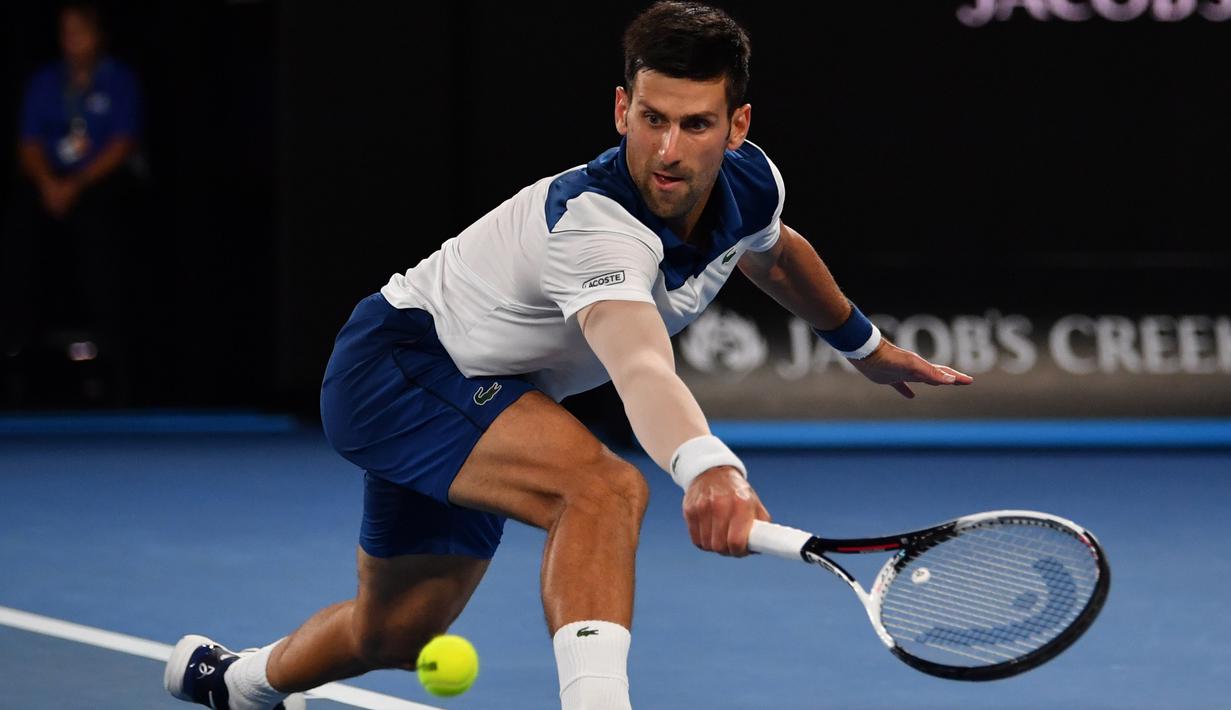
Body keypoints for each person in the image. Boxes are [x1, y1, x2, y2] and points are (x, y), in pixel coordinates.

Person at [165, 2, 972, 708]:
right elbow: (639, 365)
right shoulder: (593, 225)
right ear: (621, 108)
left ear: (737, 128)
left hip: (488, 391)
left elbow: (774, 254)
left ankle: (234, 682)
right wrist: (707, 466)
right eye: (651, 118)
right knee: (603, 490)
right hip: (399, 368)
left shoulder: (751, 182)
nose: (667, 149)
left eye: (695, 125)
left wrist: (862, 345)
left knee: (396, 634)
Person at [1, 1, 143, 405]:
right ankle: (15, 351)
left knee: (106, 230)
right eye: (66, 33)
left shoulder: (118, 80)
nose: (72, 42)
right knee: (18, 225)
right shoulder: (46, 81)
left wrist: (76, 184)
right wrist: (49, 183)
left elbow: (123, 143)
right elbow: (28, 144)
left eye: (80, 33)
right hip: (49, 185)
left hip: (97, 185)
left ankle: (116, 358)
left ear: (98, 37)